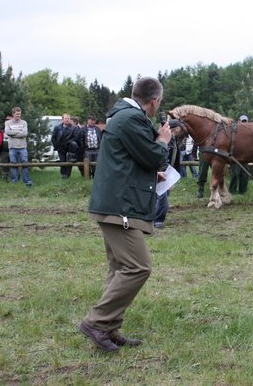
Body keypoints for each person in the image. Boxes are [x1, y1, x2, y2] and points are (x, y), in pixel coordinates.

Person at [80, 77, 171, 352]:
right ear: (154, 101)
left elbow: (128, 158)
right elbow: (156, 156)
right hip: (120, 207)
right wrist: (164, 141)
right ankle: (97, 322)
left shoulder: (122, 117)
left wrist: (148, 171)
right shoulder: (132, 119)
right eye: (159, 103)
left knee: (119, 268)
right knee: (138, 266)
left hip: (114, 204)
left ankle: (108, 328)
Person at [5, 107, 32, 187]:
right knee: (13, 164)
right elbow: (7, 132)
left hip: (23, 147)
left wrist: (13, 133)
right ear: (13, 114)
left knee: (24, 163)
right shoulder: (8, 123)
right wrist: (19, 131)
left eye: (19, 114)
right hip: (12, 147)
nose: (18, 115)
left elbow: (24, 134)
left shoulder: (24, 122)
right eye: (17, 114)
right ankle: (14, 181)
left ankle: (27, 181)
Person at [52, 113, 80, 179]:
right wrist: (56, 145)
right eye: (66, 118)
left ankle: (68, 175)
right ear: (63, 119)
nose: (67, 120)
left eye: (68, 118)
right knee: (63, 161)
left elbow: (76, 138)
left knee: (69, 161)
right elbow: (53, 138)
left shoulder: (74, 128)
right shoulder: (57, 128)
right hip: (61, 147)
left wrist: (69, 142)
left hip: (69, 146)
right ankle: (63, 176)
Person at [229, 115, 250, 195]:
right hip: (235, 156)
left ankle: (242, 192)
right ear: (239, 122)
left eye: (245, 121)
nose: (244, 123)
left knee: (244, 175)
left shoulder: (249, 133)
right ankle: (232, 192)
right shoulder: (234, 131)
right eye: (242, 121)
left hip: (245, 157)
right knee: (235, 174)